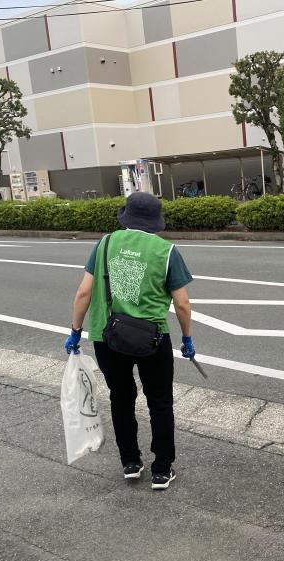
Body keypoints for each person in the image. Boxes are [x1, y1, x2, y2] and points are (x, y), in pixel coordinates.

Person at [64, 192, 195, 490]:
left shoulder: (105, 243)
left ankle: (130, 463)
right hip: (152, 338)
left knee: (121, 398)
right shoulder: (166, 251)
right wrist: (187, 338)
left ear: (127, 217)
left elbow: (83, 292)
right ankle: (162, 470)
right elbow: (182, 304)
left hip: (108, 336)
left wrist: (75, 330)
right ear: (155, 220)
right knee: (160, 402)